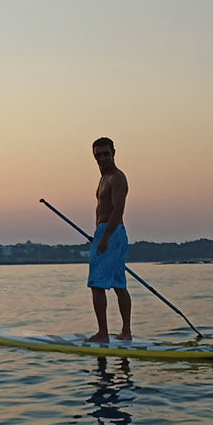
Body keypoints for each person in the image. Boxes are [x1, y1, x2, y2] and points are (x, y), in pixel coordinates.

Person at [87, 136, 132, 342]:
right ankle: (125, 333)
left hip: (111, 232)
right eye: (98, 155)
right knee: (118, 284)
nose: (102, 158)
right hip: (108, 232)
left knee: (97, 285)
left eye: (106, 154)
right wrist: (98, 235)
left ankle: (103, 334)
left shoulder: (117, 178)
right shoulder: (103, 178)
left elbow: (117, 210)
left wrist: (104, 238)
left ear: (114, 153)